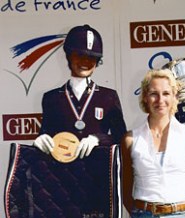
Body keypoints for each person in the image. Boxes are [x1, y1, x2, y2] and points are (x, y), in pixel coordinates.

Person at [121, 69, 185, 218]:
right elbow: (125, 185)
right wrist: (143, 214)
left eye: (166, 93)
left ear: (174, 97)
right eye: (153, 94)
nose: (160, 100)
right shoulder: (130, 139)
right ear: (144, 97)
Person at [33, 24, 127, 158]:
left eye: (92, 57)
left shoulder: (109, 96)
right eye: (80, 55)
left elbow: (121, 137)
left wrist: (98, 139)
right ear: (69, 56)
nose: (85, 61)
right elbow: (47, 134)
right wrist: (41, 139)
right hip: (63, 172)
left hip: (97, 171)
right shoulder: (51, 98)